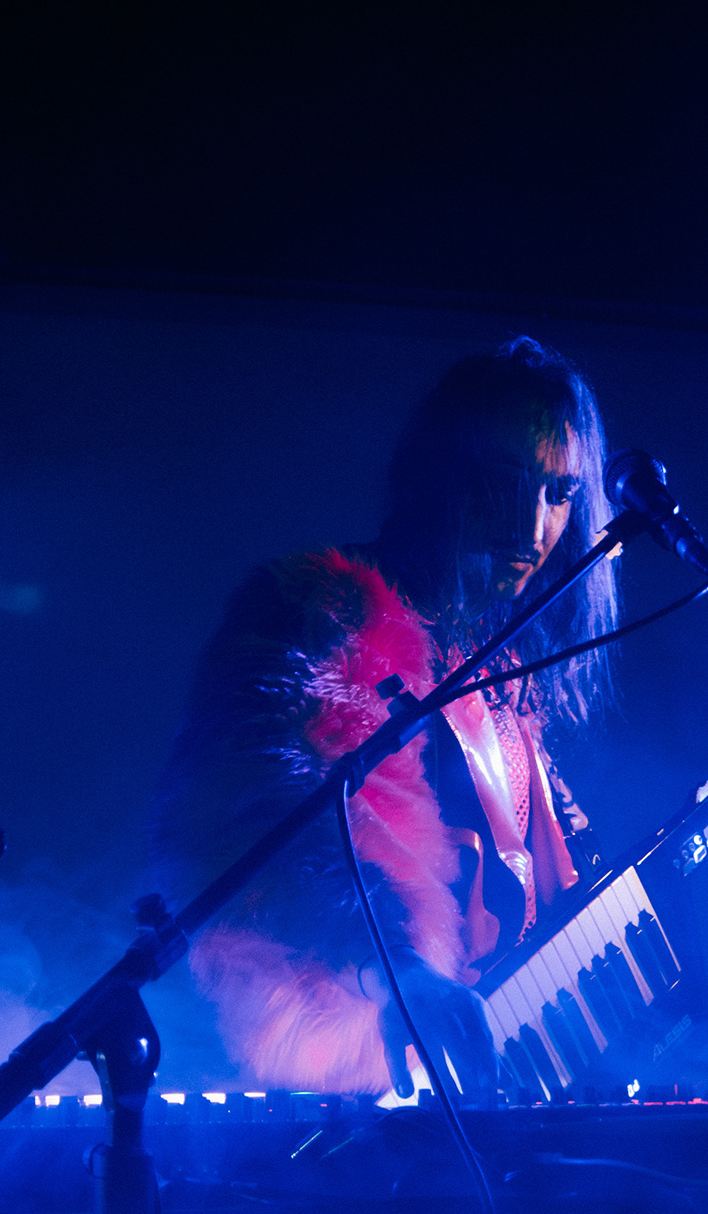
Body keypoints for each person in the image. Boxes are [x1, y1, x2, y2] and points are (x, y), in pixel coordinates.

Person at [152, 337, 618, 1101]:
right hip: (336, 1091)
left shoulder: (499, 664)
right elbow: (259, 819)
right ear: (443, 475)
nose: (532, 527)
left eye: (559, 493)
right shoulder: (319, 610)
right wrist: (394, 967)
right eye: (504, 483)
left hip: (482, 1088)